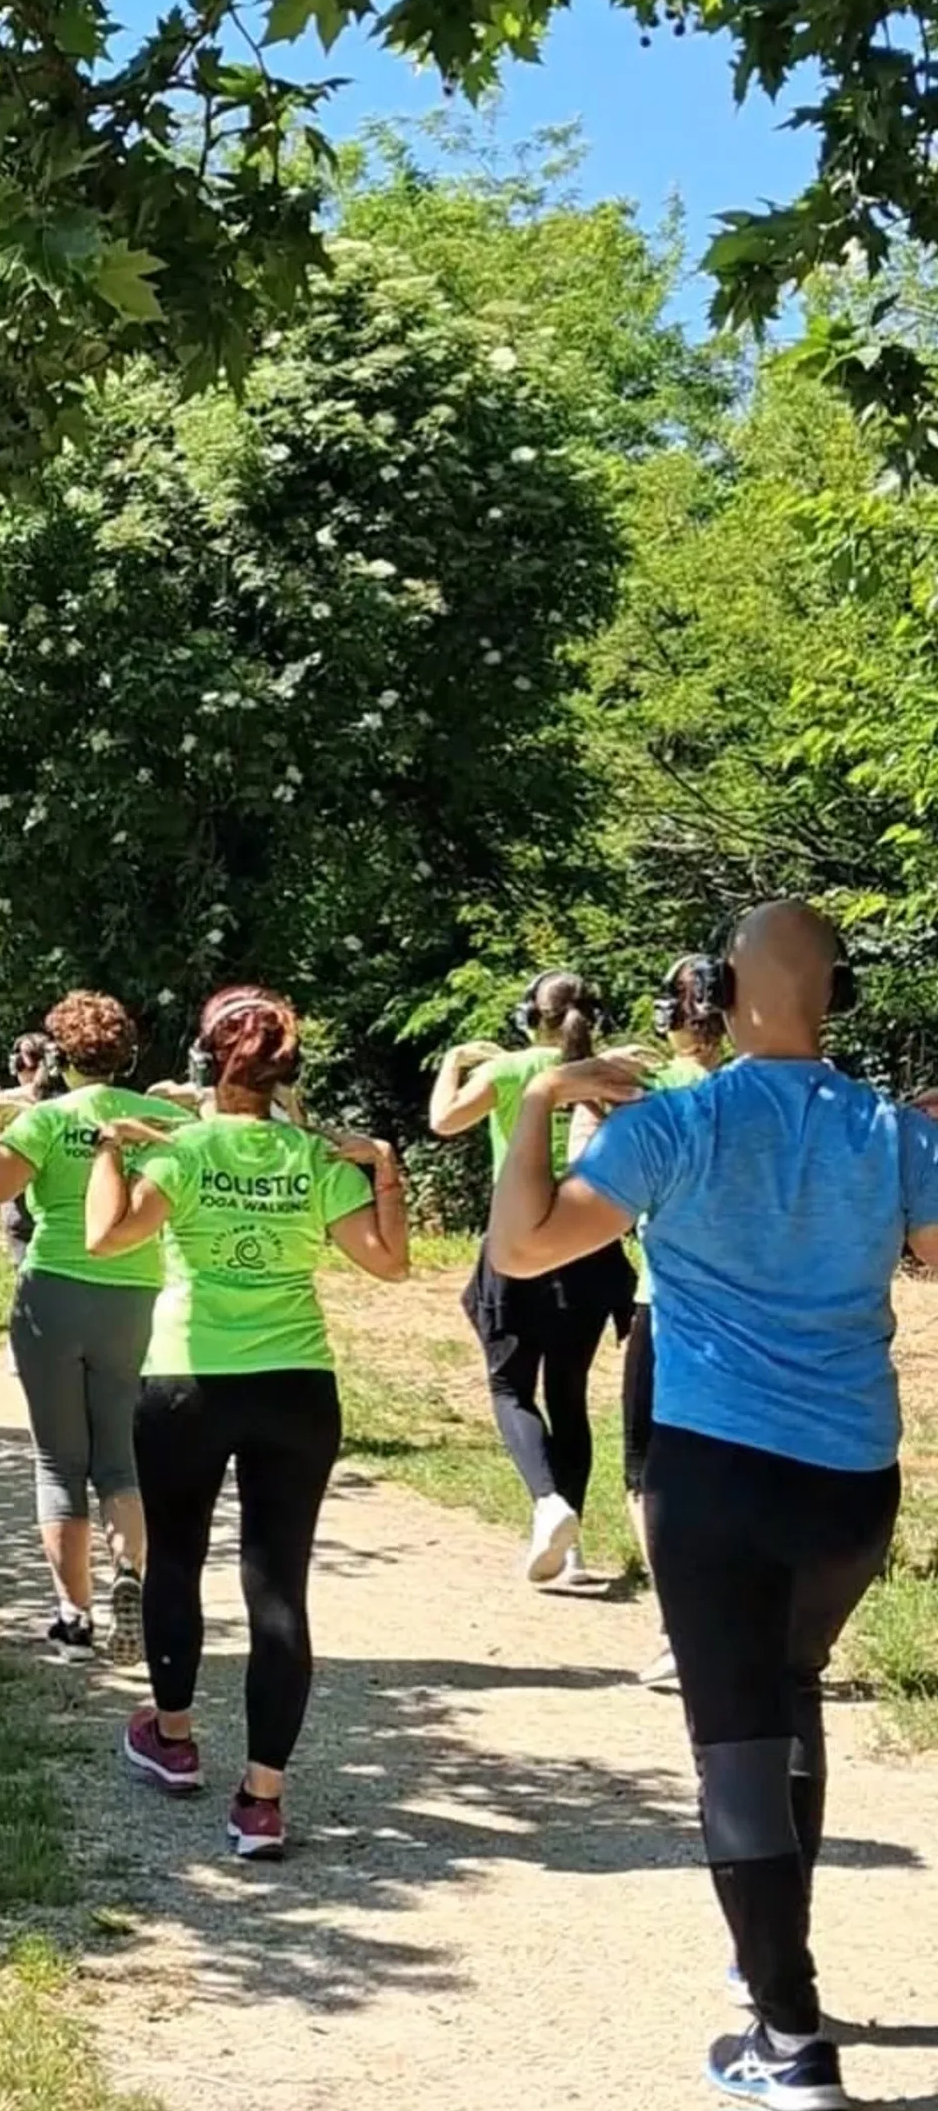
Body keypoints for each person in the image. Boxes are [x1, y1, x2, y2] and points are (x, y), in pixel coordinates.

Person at [487, 901, 938, 2111]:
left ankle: (790, 2042)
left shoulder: (675, 1122)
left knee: (734, 1740)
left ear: (726, 991)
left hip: (717, 1469)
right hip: (854, 1480)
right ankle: (768, 1968)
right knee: (788, 1696)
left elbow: (522, 1249)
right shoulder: (893, 1133)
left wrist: (534, 1104)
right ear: (835, 996)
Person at [86, 986, 410, 1861]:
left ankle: (175, 1739)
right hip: (297, 1388)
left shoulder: (182, 1151)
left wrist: (111, 1150)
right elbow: (389, 1263)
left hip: (188, 1380)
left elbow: (106, 1237)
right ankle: (263, 1800)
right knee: (278, 1589)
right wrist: (383, 1165)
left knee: (176, 1561)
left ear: (201, 1064)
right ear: (285, 1076)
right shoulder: (316, 1158)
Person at [0, 991, 189, 1666]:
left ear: (60, 1056)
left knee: (59, 1460)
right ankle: (131, 1577)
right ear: (127, 1055)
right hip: (137, 1294)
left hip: (53, 1292)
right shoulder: (164, 1119)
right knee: (121, 1459)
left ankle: (75, 1617)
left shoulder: (45, 1119)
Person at [428, 970, 637, 1588]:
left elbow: (443, 1121)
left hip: (520, 1242)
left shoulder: (510, 1070)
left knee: (509, 1388)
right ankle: (570, 1550)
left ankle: (549, 1503)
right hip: (591, 1245)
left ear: (529, 1016)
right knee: (568, 1395)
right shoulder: (612, 1073)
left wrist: (454, 1061)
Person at [579, 956, 727, 1689]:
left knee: (648, 1472)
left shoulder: (649, 1089)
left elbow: (587, 1171)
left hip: (666, 1305)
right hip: (746, 1312)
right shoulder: (751, 1090)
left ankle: (679, 1629)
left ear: (671, 1018)